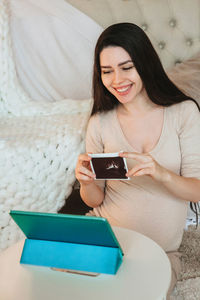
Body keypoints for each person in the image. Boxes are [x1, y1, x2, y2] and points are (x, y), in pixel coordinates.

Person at [75, 23, 200, 298]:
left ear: (144, 63)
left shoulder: (183, 112)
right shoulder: (100, 122)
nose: (117, 80)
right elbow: (95, 199)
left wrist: (161, 173)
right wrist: (86, 183)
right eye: (107, 71)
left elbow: (197, 189)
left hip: (158, 251)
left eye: (126, 67)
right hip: (105, 240)